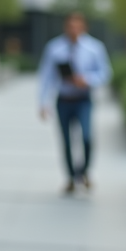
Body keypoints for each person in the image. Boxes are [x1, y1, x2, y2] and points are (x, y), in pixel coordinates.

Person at [38, 11, 112, 194]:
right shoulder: (54, 48)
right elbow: (46, 76)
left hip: (83, 99)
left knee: (86, 138)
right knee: (66, 141)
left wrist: (87, 80)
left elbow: (105, 73)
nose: (74, 30)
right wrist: (43, 102)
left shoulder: (94, 48)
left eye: (77, 26)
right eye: (71, 26)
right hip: (63, 100)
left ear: (84, 27)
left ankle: (83, 171)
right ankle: (71, 178)